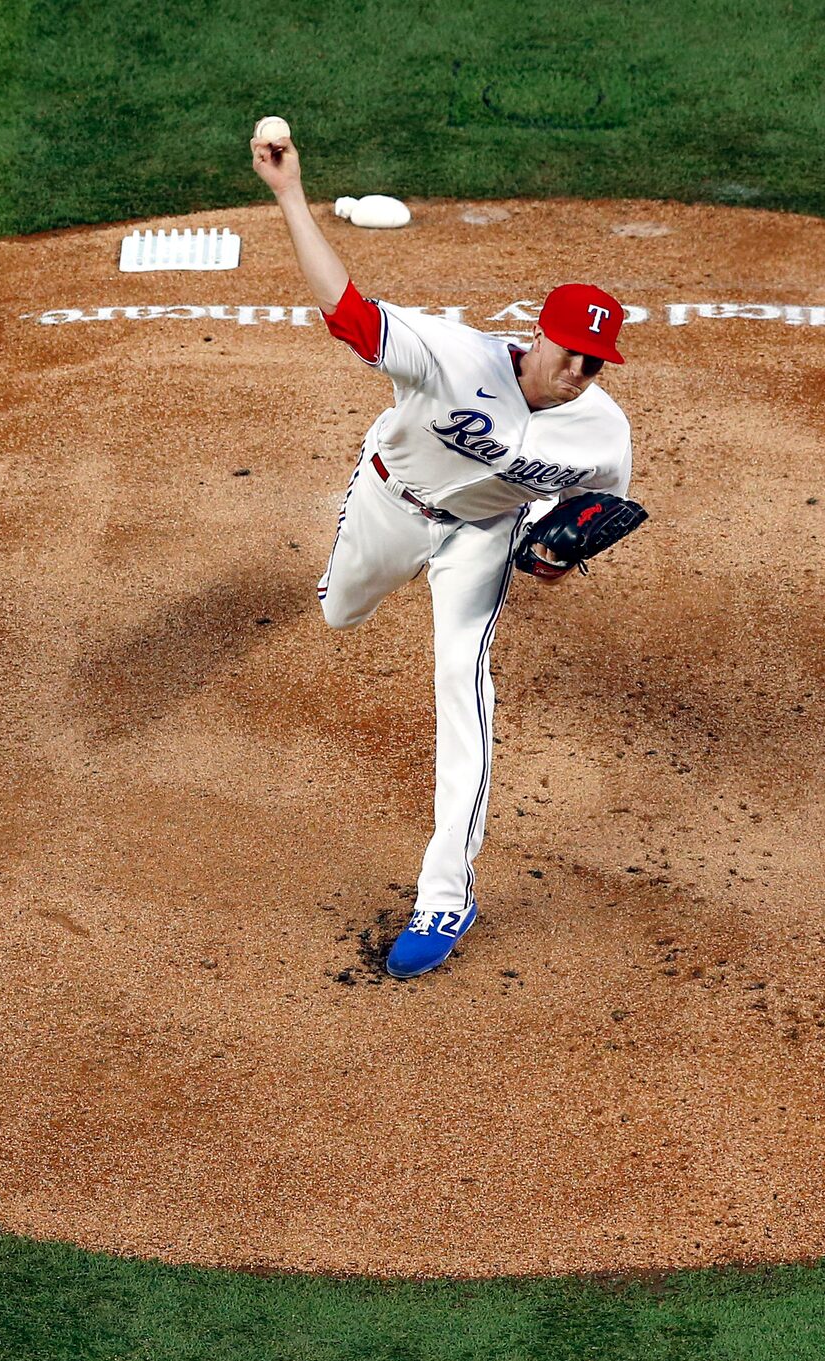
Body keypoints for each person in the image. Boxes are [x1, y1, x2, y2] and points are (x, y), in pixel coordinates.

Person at [250, 122, 636, 980]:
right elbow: (347, 314)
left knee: (464, 691)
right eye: (574, 353)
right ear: (540, 336)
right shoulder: (451, 357)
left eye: (597, 363)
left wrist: (557, 556)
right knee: (340, 613)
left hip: (482, 541)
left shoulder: (603, 431)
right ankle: (348, 576)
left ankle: (446, 893)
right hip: (392, 498)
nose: (581, 372)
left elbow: (592, 509)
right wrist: (288, 195)